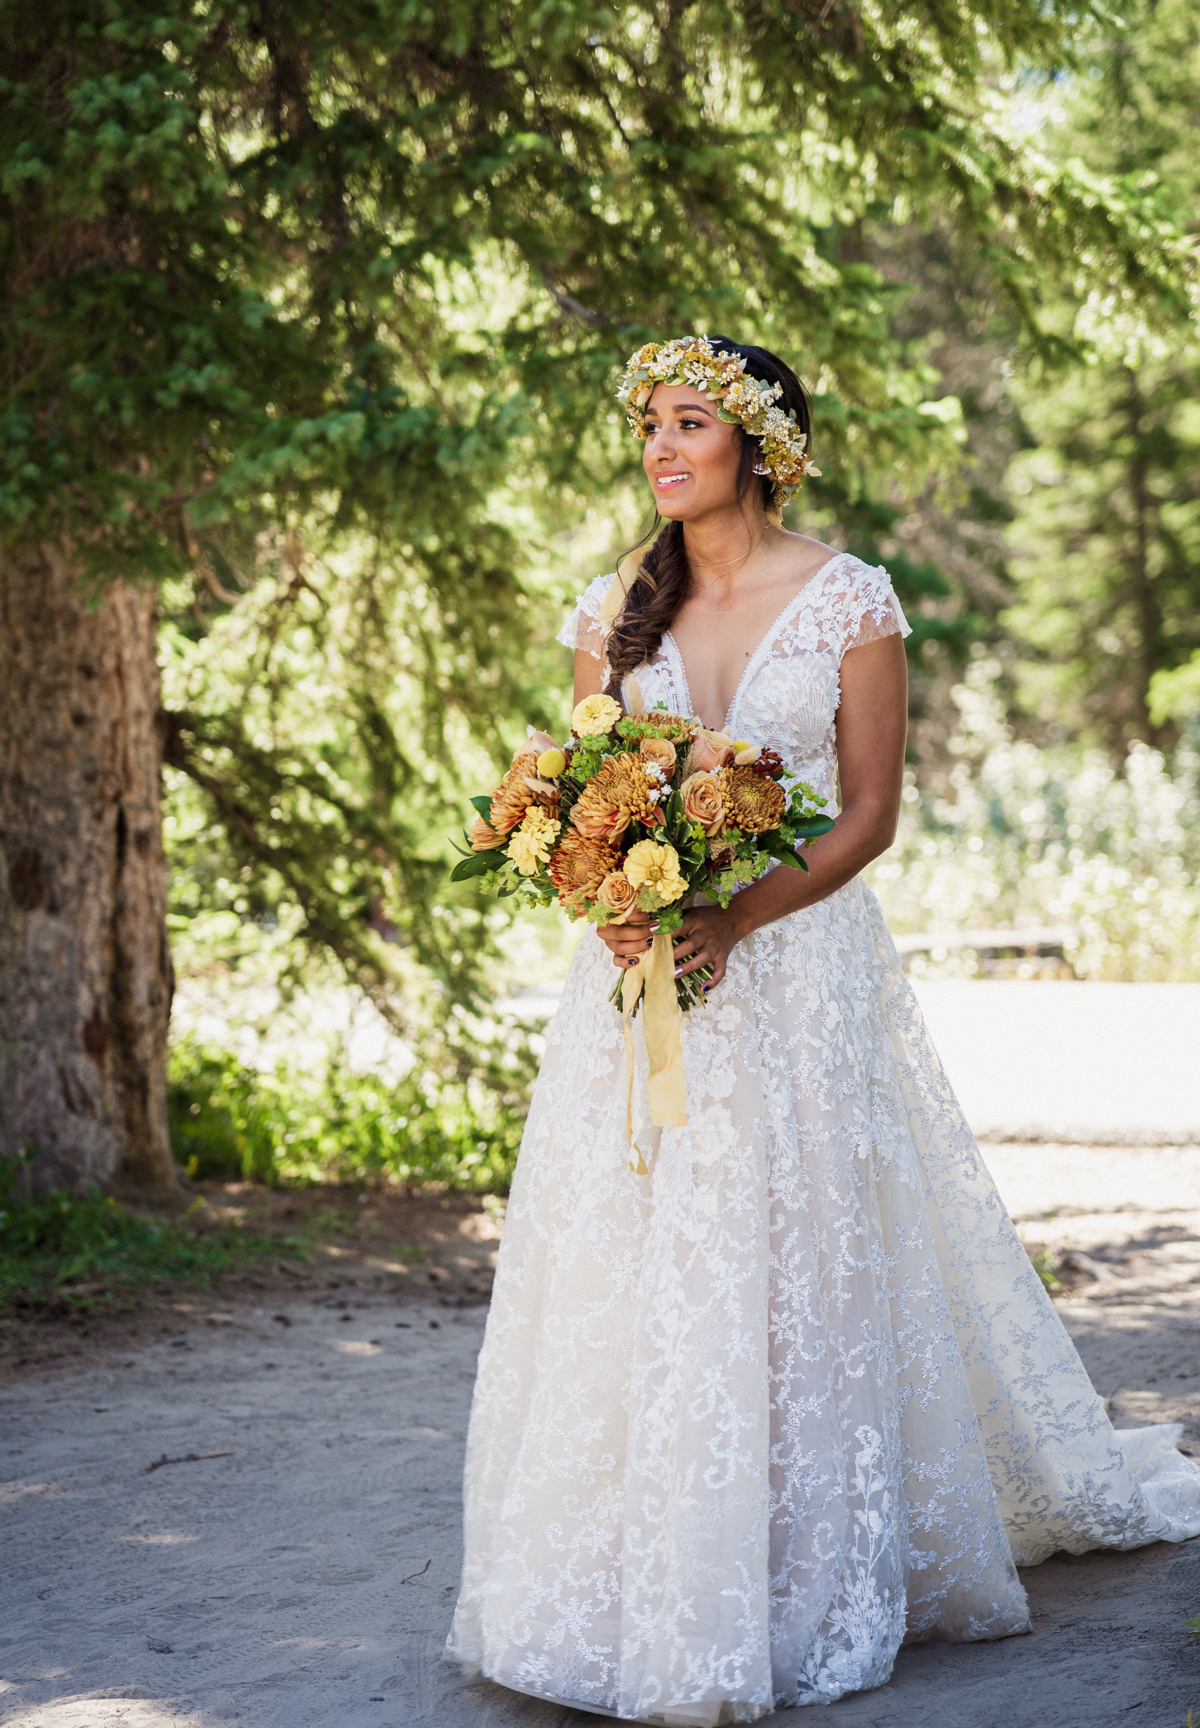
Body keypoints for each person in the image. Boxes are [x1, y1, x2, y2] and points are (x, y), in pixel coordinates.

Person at [446, 335, 1200, 1724]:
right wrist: (610, 903)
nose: (662, 449)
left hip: (793, 973)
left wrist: (734, 921)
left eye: (690, 424)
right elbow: (586, 792)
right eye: (651, 428)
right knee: (636, 1254)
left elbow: (867, 814)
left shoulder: (850, 598)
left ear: (762, 448)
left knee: (802, 1251)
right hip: (643, 985)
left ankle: (802, 1554)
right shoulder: (614, 606)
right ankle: (628, 1567)